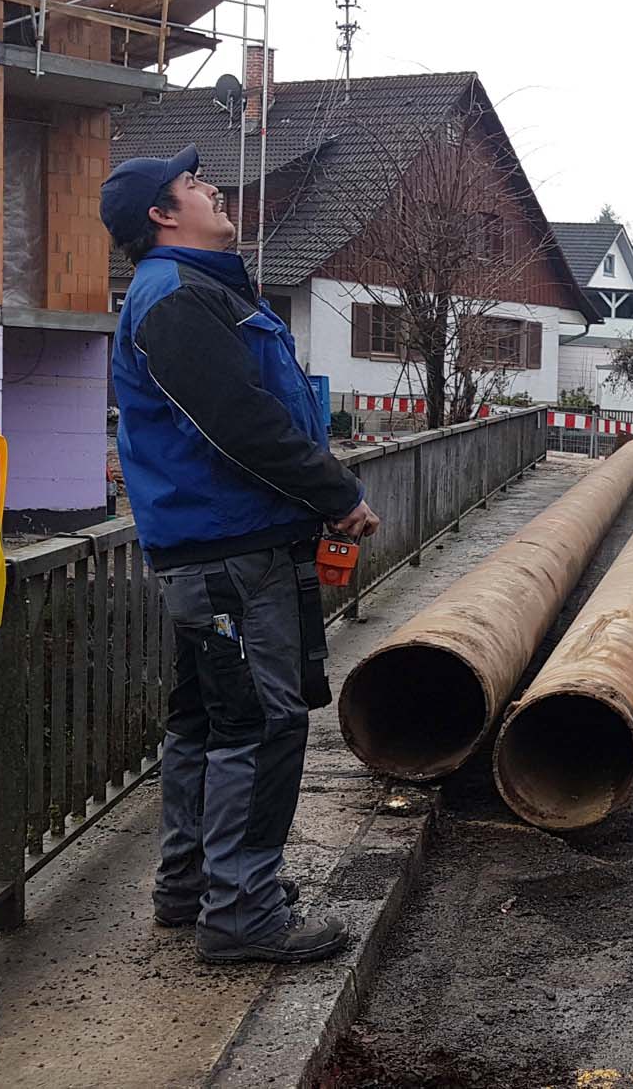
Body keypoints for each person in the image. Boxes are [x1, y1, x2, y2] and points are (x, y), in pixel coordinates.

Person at [101, 145, 380, 963]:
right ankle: (241, 911)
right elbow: (238, 421)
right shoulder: (176, 299)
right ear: (162, 213)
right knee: (260, 725)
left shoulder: (200, 292)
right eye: (193, 183)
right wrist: (336, 493)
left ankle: (194, 883)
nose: (213, 187)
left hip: (219, 547)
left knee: (207, 718)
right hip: (230, 548)